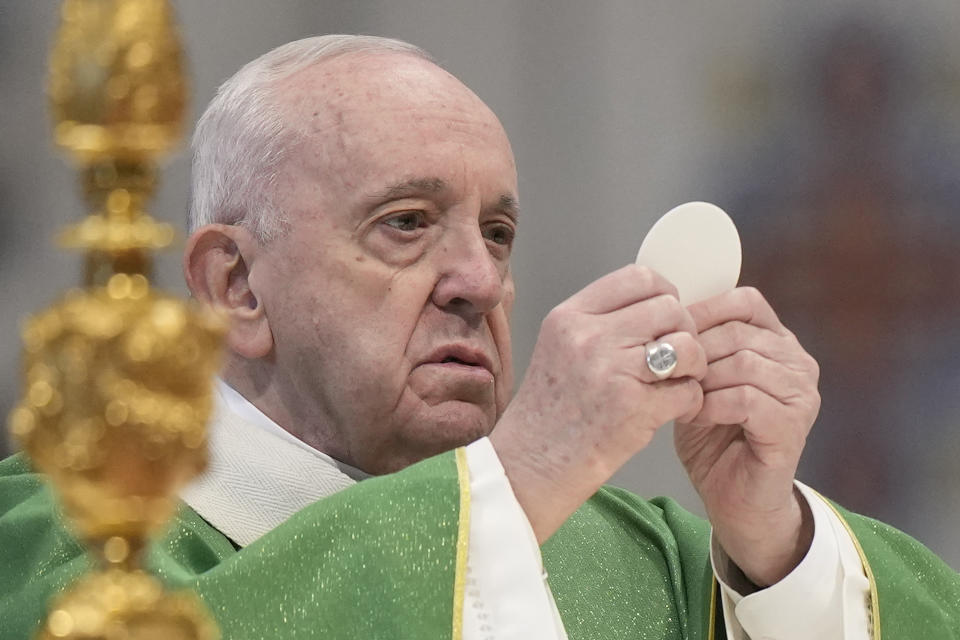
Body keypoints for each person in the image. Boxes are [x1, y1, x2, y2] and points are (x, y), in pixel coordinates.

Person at [1, 35, 957, 639]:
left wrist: (773, 547)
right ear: (236, 286)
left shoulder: (635, 559)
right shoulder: (74, 547)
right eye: (407, 223)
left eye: (497, 234)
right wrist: (523, 471)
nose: (482, 282)